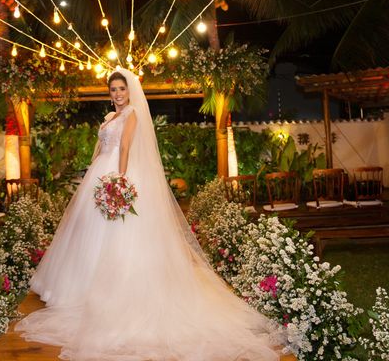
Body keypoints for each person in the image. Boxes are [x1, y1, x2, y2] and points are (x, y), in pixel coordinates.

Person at [16, 68, 280, 361]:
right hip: (98, 175)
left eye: (121, 89)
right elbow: (98, 149)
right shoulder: (107, 118)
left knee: (119, 234)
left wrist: (119, 180)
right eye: (113, 90)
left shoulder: (132, 115)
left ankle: (114, 292)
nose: (117, 94)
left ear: (129, 92)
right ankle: (77, 291)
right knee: (86, 233)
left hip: (118, 174)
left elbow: (125, 147)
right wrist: (89, 176)